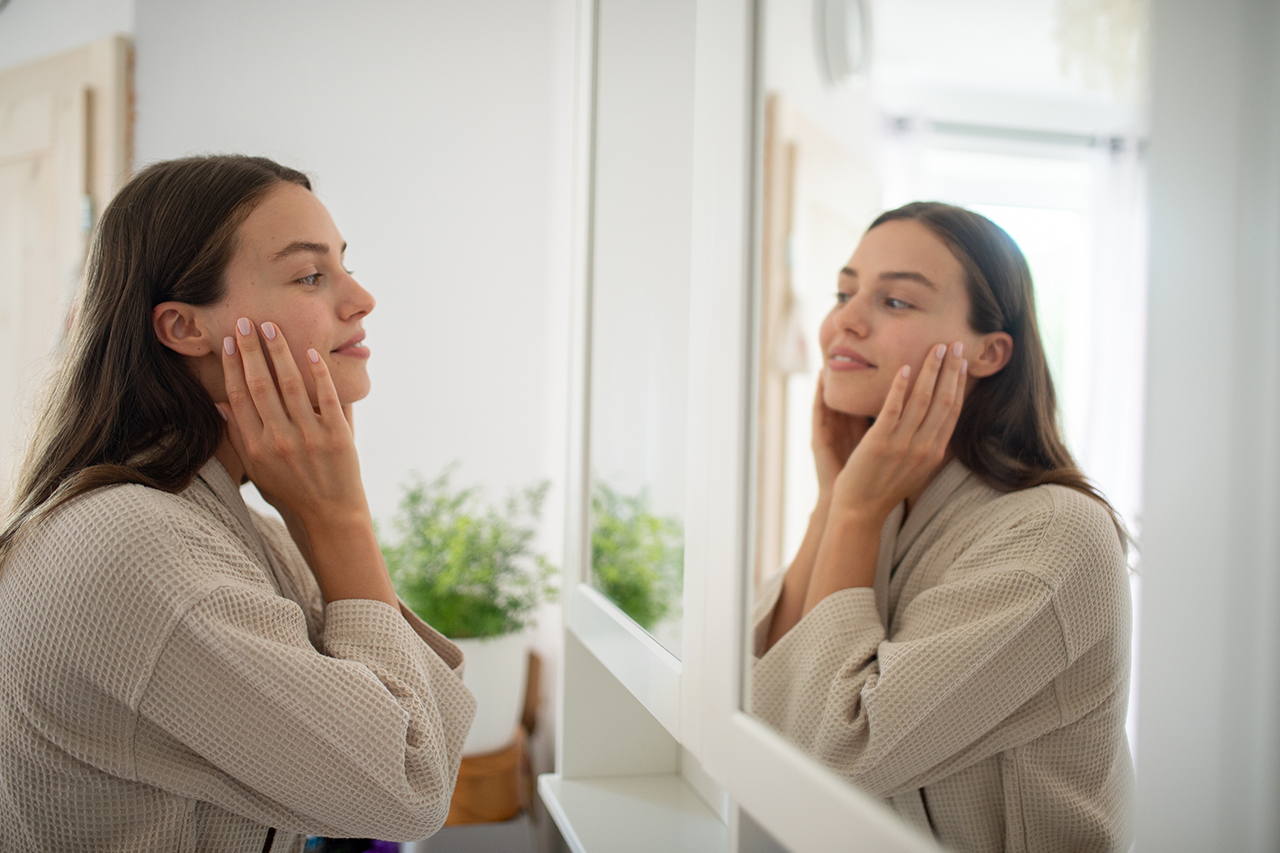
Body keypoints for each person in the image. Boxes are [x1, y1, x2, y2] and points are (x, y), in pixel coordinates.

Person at [0, 155, 476, 851]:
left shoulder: (229, 525)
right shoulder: (136, 545)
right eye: (311, 275)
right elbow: (410, 786)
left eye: (344, 264)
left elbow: (425, 723)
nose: (361, 298)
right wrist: (338, 517)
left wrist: (314, 519)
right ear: (183, 327)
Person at [752, 202, 1134, 852]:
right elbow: (762, 707)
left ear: (989, 352)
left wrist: (854, 512)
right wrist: (833, 501)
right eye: (844, 293)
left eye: (895, 301)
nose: (844, 320)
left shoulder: (1053, 534)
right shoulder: (888, 505)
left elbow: (835, 757)